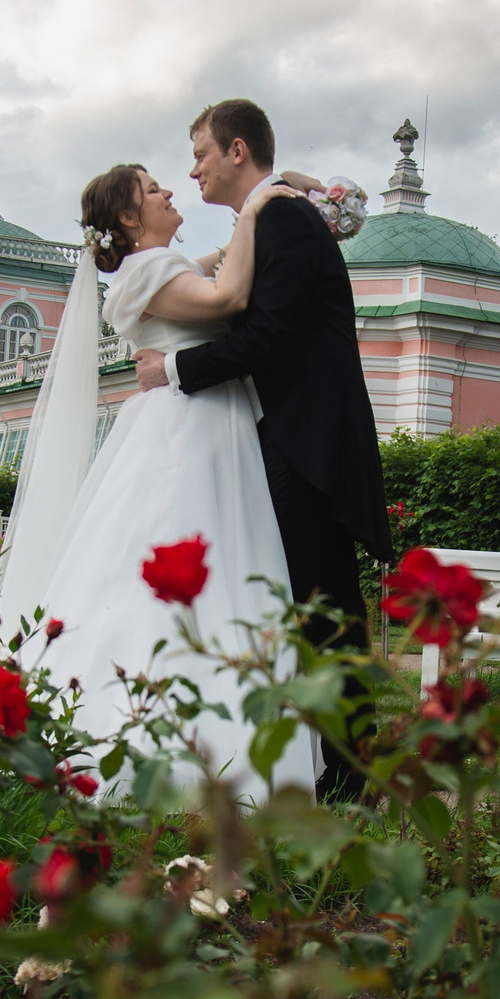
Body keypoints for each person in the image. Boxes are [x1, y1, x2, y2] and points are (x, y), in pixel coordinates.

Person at [0, 156, 328, 800]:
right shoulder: (150, 268)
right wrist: (259, 205)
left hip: (203, 422)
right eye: (152, 189)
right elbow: (229, 296)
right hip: (190, 429)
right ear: (128, 216)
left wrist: (278, 192)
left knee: (197, 566)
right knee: (199, 562)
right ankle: (169, 748)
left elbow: (214, 263)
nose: (170, 189)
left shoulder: (156, 265)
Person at [136, 101, 392, 799]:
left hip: (309, 438)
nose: (192, 170)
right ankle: (331, 761)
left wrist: (175, 371)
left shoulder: (279, 216)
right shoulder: (274, 214)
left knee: (323, 602)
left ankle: (345, 774)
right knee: (314, 601)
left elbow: (270, 337)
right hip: (295, 433)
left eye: (201, 154)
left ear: (238, 149)